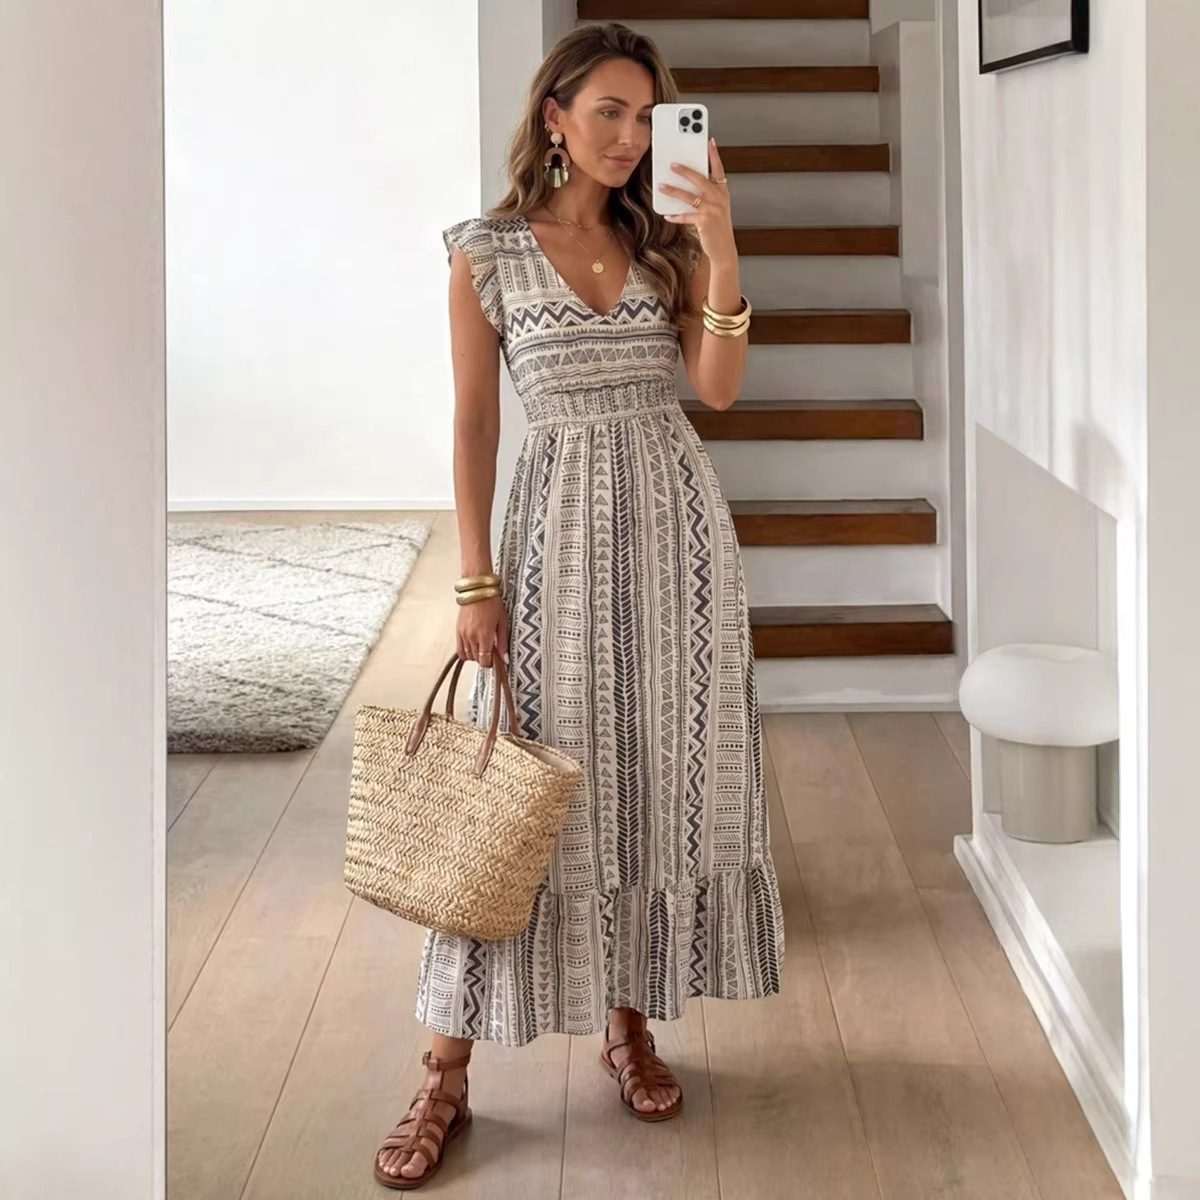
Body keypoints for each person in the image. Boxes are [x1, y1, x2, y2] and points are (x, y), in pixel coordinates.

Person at [375, 21, 784, 1189]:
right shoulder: (488, 253)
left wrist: (720, 243)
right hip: (551, 541)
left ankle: (627, 1023)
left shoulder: (668, 248)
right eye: (610, 111)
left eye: (649, 117)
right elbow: (473, 425)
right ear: (554, 114)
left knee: (647, 788)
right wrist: (474, 580)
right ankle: (444, 1074)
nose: (632, 136)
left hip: (677, 543)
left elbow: (716, 391)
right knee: (515, 806)